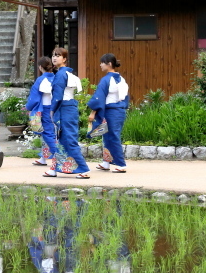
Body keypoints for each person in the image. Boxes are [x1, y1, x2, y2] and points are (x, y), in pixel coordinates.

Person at [44, 47, 90, 179]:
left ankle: (83, 168)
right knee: (61, 139)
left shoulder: (60, 74)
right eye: (53, 55)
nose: (54, 58)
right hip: (70, 106)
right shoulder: (69, 74)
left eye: (58, 55)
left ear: (64, 59)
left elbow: (57, 96)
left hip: (64, 108)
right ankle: (54, 169)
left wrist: (52, 109)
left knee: (68, 138)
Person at [87, 53, 130, 173]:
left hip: (111, 110)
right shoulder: (121, 79)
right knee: (107, 135)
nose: (100, 65)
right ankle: (106, 162)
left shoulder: (106, 79)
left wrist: (93, 112)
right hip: (119, 110)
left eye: (102, 62)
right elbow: (125, 97)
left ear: (109, 64)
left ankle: (121, 164)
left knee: (113, 136)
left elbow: (99, 97)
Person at [26, 56, 56, 166]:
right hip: (55, 108)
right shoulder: (56, 78)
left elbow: (34, 98)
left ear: (40, 67)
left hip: (44, 109)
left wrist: (28, 107)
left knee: (47, 133)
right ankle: (43, 158)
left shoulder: (41, 79)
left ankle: (58, 156)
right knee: (50, 132)